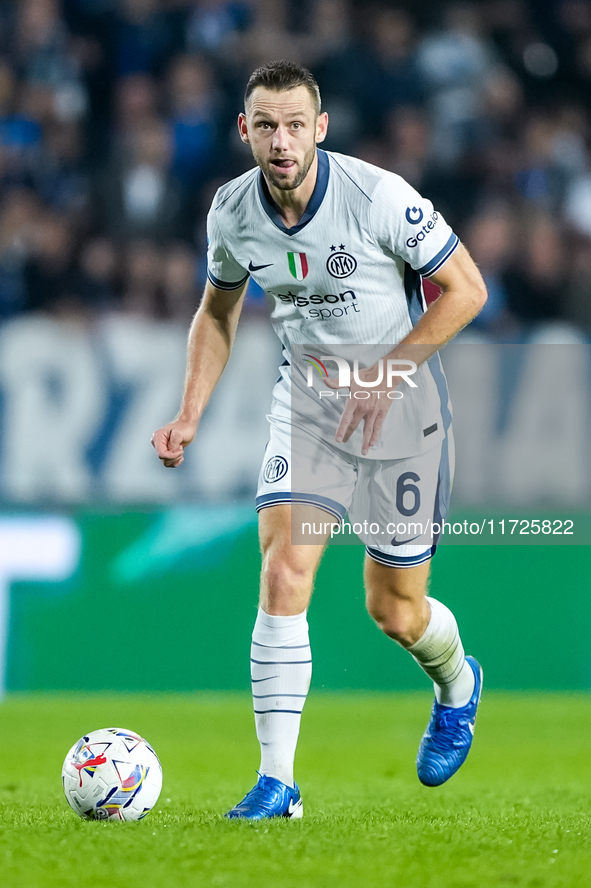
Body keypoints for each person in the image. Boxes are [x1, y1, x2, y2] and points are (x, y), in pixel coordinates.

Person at [151, 60, 488, 820]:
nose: (280, 140)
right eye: (265, 124)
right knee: (284, 570)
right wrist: (190, 411)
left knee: (396, 612)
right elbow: (216, 310)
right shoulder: (232, 212)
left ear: (320, 129)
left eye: (294, 124)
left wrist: (388, 375)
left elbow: (468, 288)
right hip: (306, 411)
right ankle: (278, 783)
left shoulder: (377, 197)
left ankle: (457, 685)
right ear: (245, 131)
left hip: (402, 418)